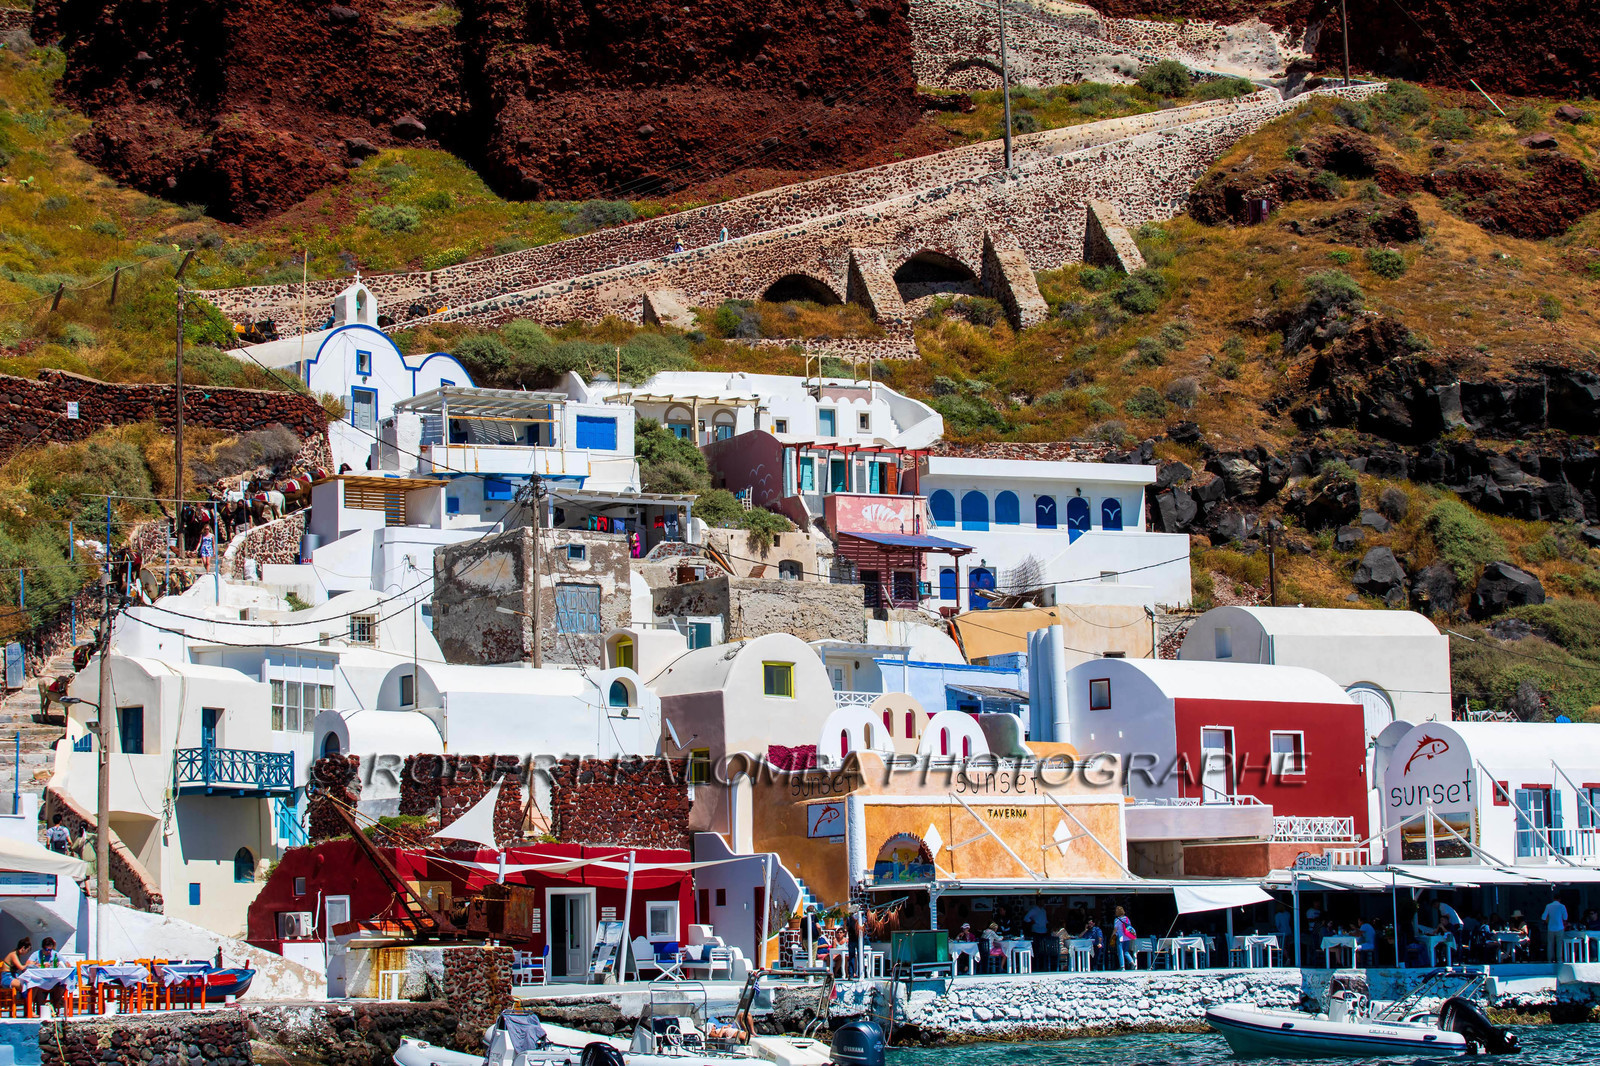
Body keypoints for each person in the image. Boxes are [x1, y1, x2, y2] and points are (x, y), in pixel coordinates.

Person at [1024, 899, 1055, 972]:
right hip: (1036, 931)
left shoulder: (1043, 910)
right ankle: (1036, 965)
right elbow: (1026, 918)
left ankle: (1042, 965)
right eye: (1042, 901)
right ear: (1038, 902)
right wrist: (1032, 921)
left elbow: (1044, 920)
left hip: (1044, 931)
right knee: (1036, 950)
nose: (1043, 903)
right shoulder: (1034, 910)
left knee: (1043, 949)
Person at [1543, 893, 1570, 962]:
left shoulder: (1548, 906)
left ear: (1553, 899)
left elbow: (1543, 917)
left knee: (1550, 943)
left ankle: (1550, 959)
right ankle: (1559, 959)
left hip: (1551, 927)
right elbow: (1565, 917)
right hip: (1560, 927)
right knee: (1559, 944)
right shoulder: (1562, 906)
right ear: (1560, 899)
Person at [1113, 906, 1137, 970]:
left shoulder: (1117, 920)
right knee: (1126, 951)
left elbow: (1115, 930)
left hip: (1120, 938)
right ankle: (1132, 962)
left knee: (1120, 952)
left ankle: (1122, 966)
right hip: (1127, 937)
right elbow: (1130, 927)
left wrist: (1112, 937)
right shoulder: (1126, 918)